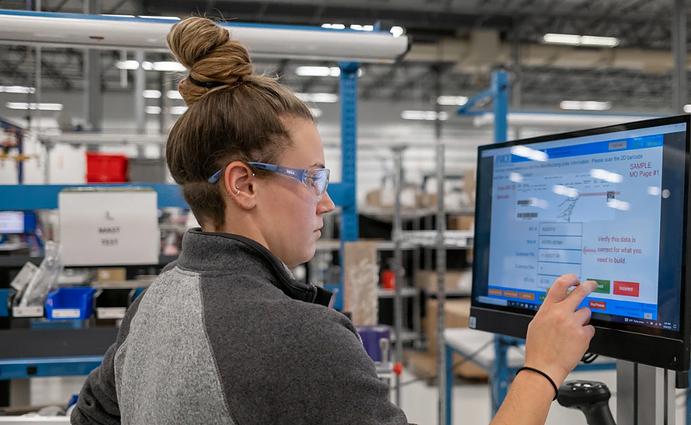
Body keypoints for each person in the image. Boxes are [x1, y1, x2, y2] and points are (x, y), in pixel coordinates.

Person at [71, 17, 596, 425]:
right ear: (243, 184)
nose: (326, 204)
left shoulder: (153, 302)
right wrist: (542, 367)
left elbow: (89, 416)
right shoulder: (297, 337)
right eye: (312, 179)